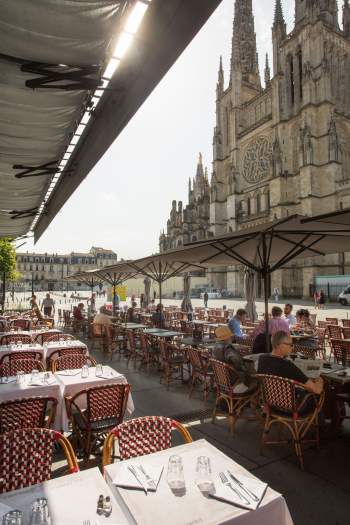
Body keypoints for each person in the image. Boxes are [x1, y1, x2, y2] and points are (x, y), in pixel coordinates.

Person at [258, 331, 324, 413]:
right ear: (281, 345)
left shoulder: (262, 359)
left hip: (270, 405)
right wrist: (320, 380)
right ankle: (325, 423)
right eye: (290, 345)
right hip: (291, 409)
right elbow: (316, 390)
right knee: (321, 393)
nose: (292, 348)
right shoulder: (287, 366)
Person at [213, 326, 255, 393]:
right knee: (255, 377)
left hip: (222, 380)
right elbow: (237, 361)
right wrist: (245, 369)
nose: (231, 338)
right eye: (230, 336)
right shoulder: (227, 348)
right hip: (233, 380)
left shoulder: (215, 347)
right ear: (227, 337)